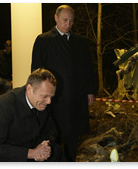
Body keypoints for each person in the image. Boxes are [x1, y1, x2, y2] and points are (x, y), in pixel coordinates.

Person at [31, 5, 96, 161]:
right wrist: (38, 93)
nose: (68, 24)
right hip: (54, 99)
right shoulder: (44, 40)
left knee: (73, 136)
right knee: (53, 134)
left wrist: (91, 91)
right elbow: (37, 69)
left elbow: (89, 68)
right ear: (56, 18)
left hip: (76, 97)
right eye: (65, 20)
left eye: (71, 21)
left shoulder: (80, 42)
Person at [0, 68, 65, 162]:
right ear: (29, 89)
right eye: (45, 96)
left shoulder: (40, 102)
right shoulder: (1, 107)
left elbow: (51, 130)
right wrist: (32, 153)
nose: (49, 101)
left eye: (51, 97)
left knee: (57, 152)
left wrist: (45, 146)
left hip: (25, 153)